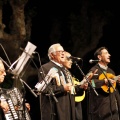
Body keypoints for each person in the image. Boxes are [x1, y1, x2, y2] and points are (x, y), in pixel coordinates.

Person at [38, 43, 88, 120]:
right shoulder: (45, 68)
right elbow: (44, 89)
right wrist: (62, 88)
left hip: (68, 109)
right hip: (55, 110)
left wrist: (80, 87)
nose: (62, 53)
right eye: (59, 51)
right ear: (52, 55)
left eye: (63, 51)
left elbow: (70, 89)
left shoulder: (65, 70)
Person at [87, 46, 120, 120]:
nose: (109, 55)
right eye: (106, 53)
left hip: (113, 110)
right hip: (100, 111)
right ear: (99, 57)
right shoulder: (94, 70)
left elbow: (115, 90)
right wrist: (103, 82)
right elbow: (88, 83)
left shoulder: (111, 71)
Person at [63, 51, 87, 120]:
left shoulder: (69, 73)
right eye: (69, 59)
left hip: (74, 101)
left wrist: (81, 87)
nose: (71, 61)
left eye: (71, 60)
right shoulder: (60, 72)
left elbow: (73, 89)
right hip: (66, 105)